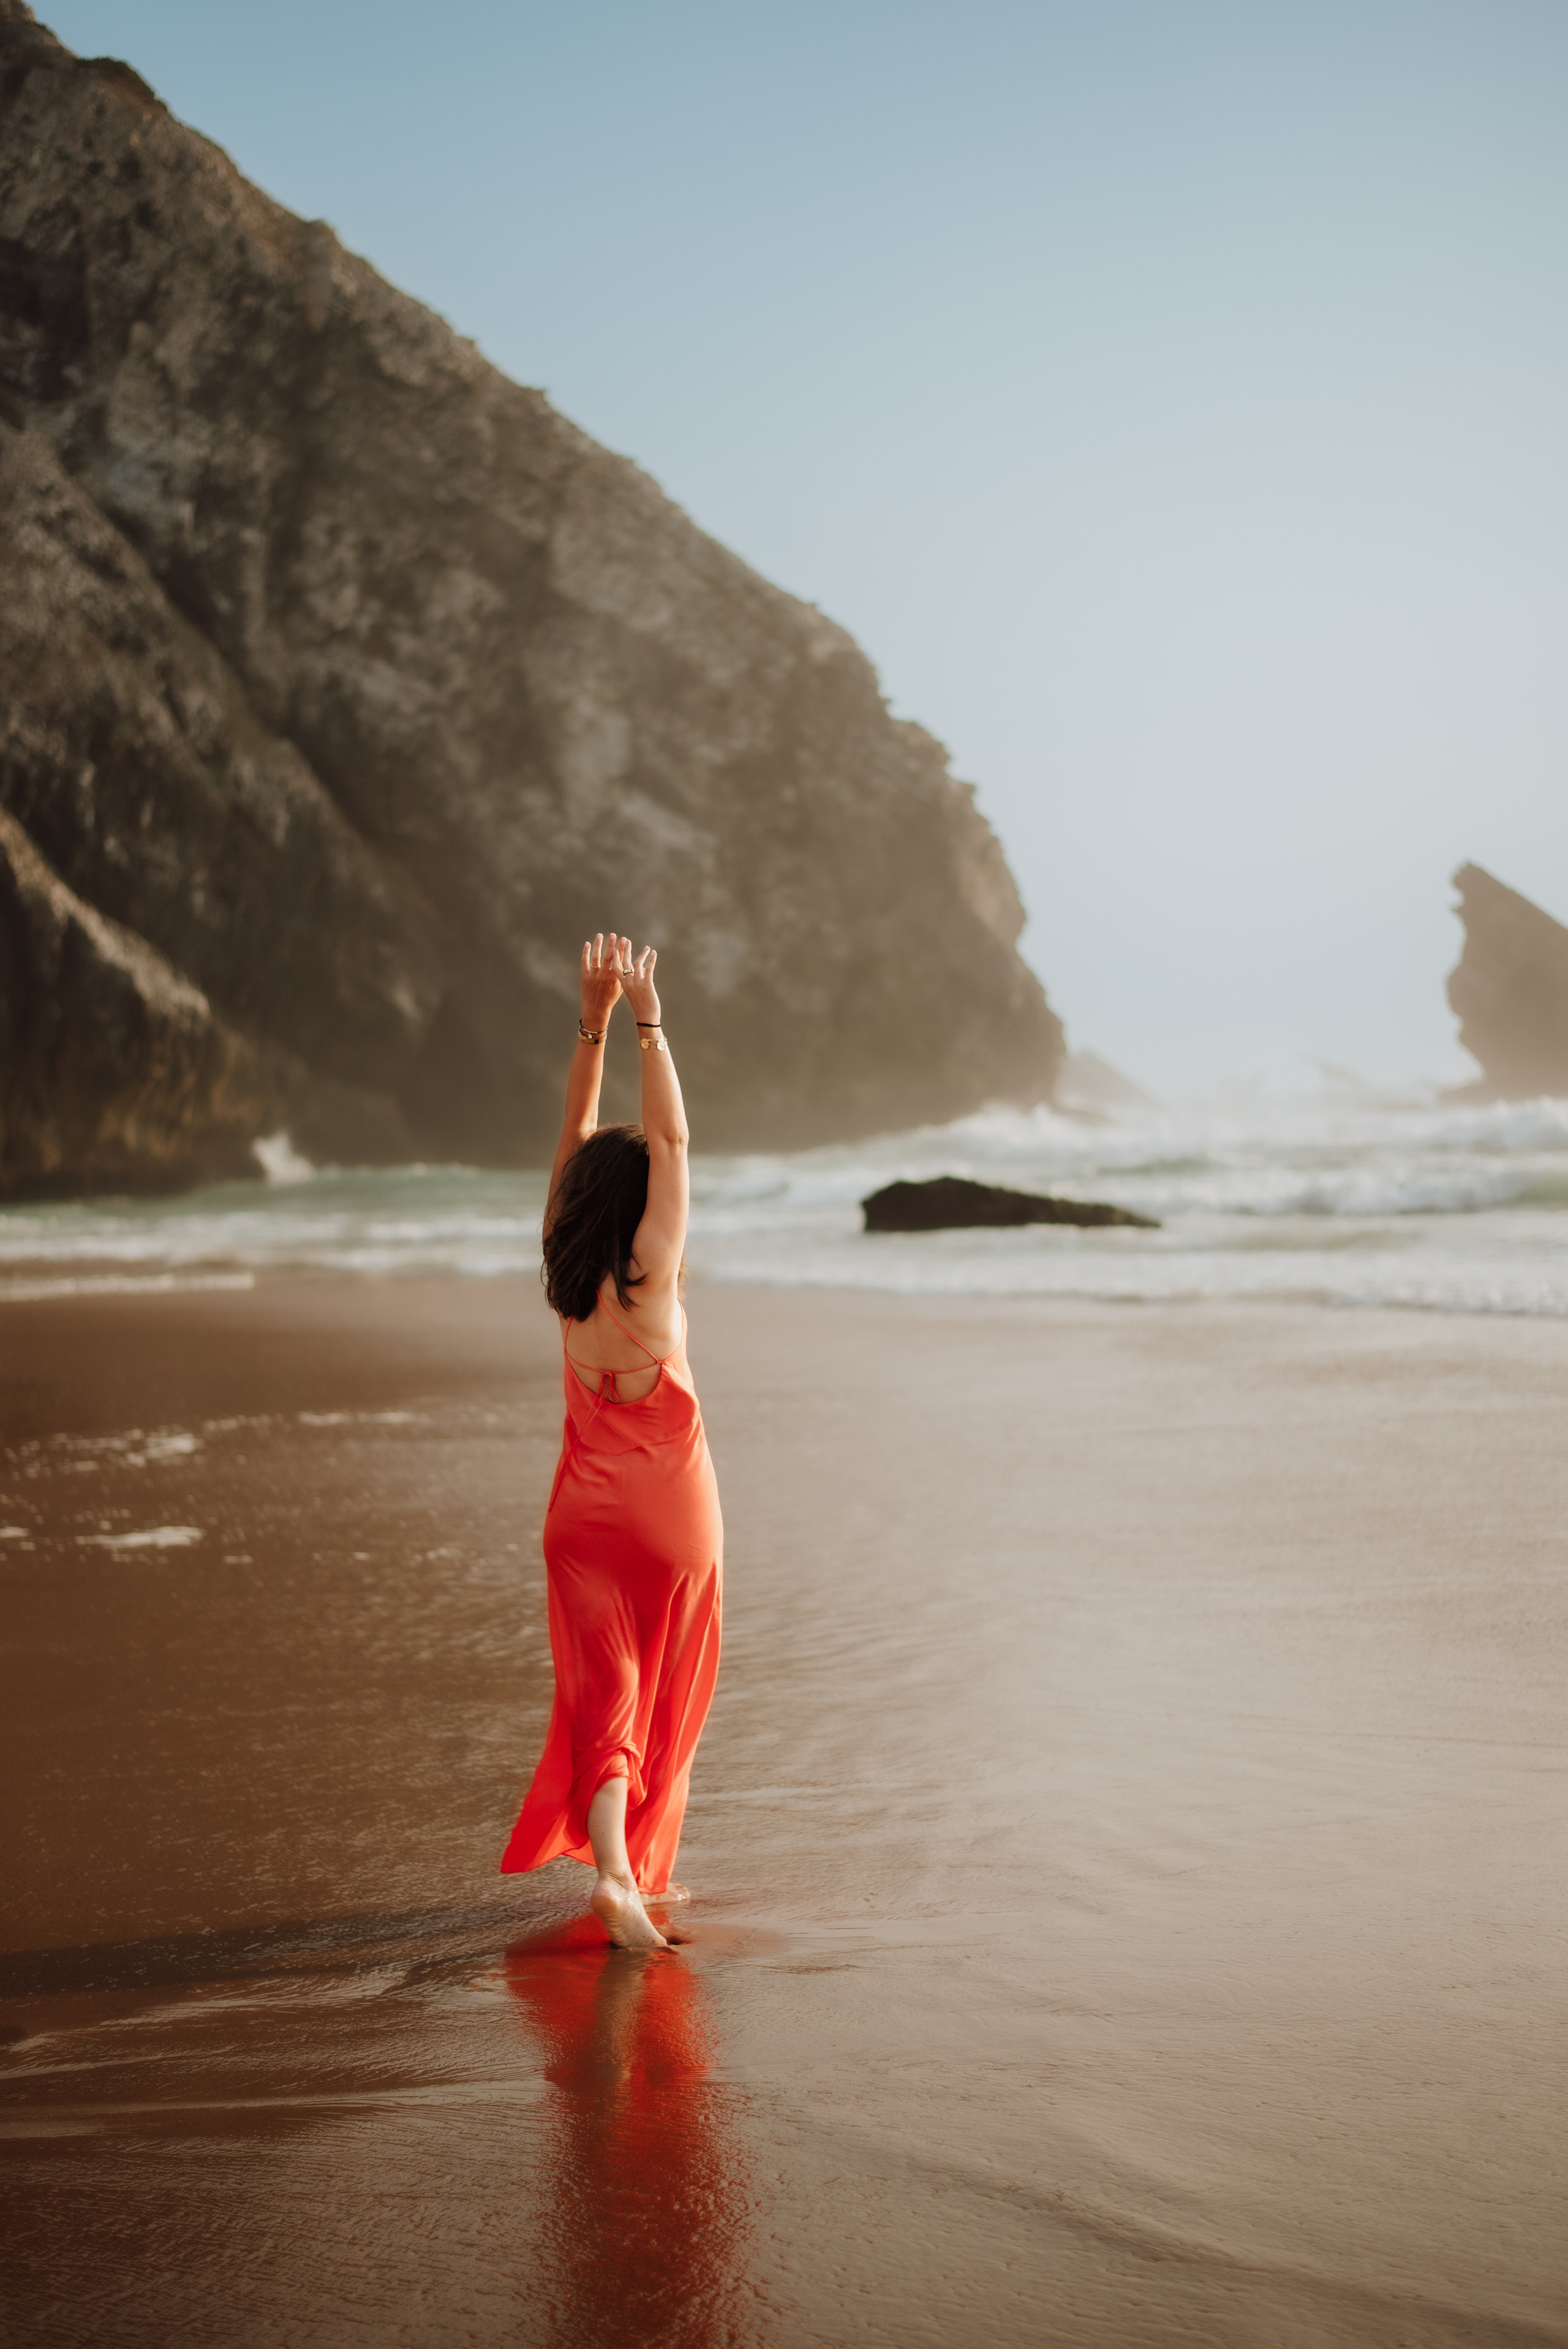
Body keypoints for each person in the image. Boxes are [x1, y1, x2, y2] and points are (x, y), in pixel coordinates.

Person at [499, 932, 723, 1952]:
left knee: (607, 1698)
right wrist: (650, 1017)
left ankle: (618, 1873)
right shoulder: (654, 1276)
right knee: (667, 1679)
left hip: (577, 1520)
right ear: (642, 1206)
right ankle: (635, 1873)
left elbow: (572, 1129)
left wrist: (592, 1021)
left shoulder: (563, 1265)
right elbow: (671, 1147)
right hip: (670, 1514)